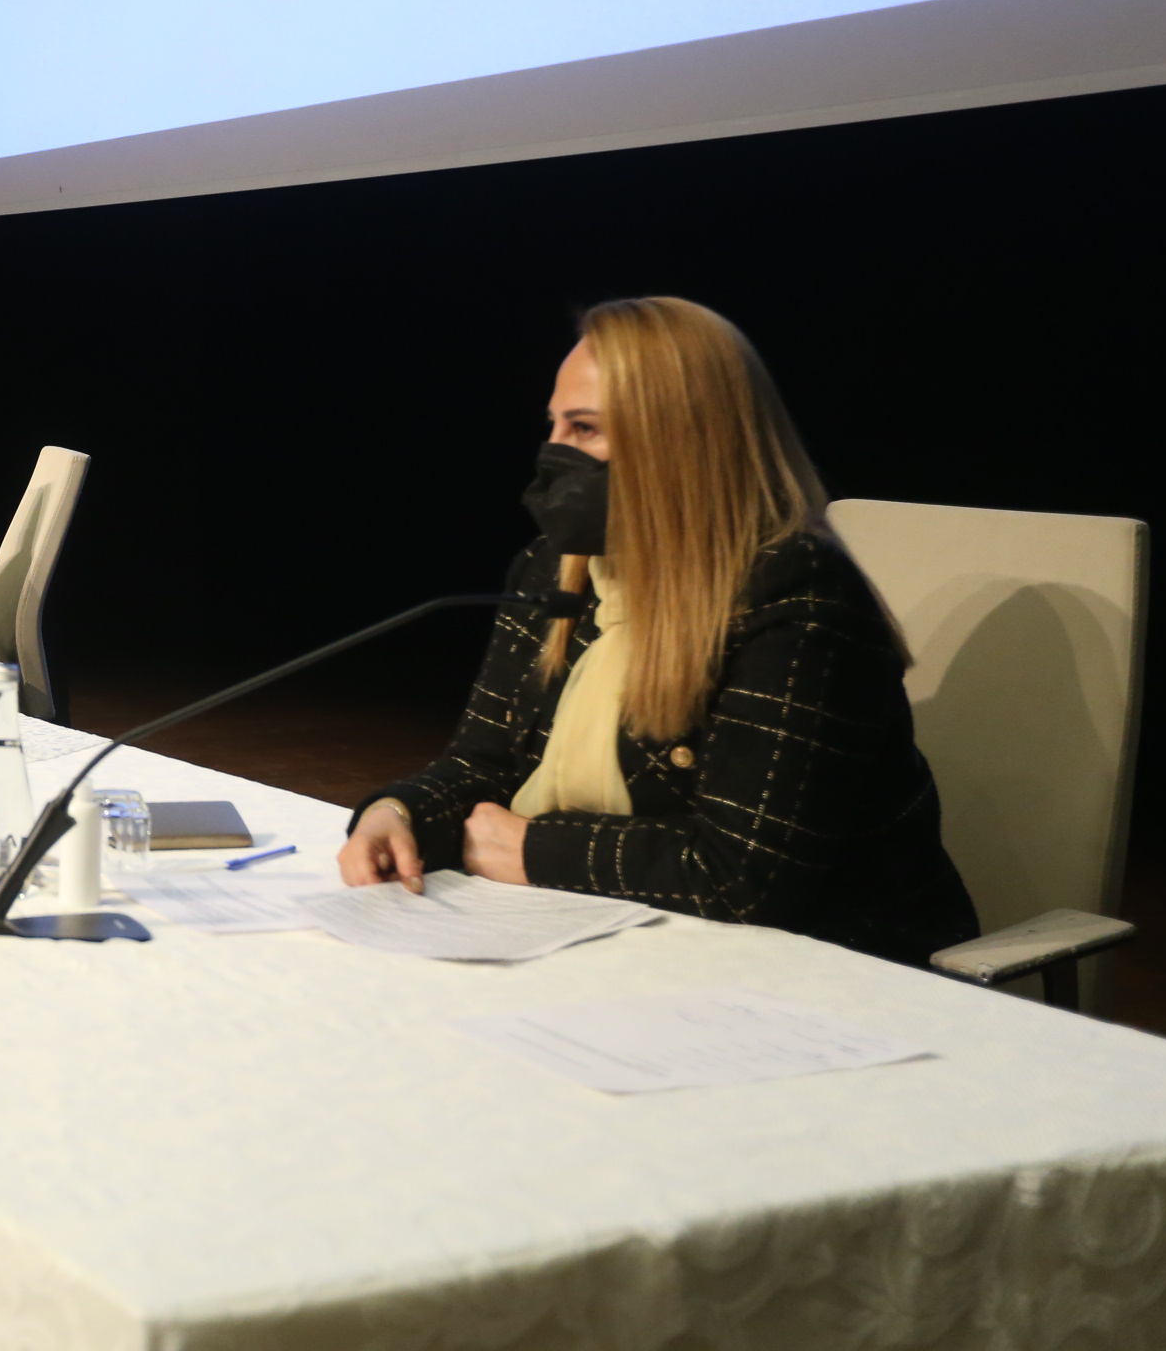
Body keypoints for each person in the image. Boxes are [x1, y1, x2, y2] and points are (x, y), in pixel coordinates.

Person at [338, 297, 978, 967]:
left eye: (584, 428)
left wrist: (530, 848)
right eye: (553, 425)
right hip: (608, 933)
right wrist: (398, 814)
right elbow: (482, 764)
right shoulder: (557, 568)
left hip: (835, 969)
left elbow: (741, 880)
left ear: (679, 440)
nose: (553, 454)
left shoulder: (797, 594)